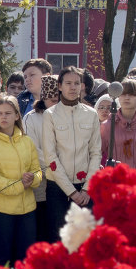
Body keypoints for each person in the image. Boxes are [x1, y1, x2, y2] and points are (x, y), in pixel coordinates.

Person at [0, 96, 42, 266]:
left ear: (17, 115)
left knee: (25, 258)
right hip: (0, 210)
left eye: (8, 113)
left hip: (27, 209)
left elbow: (37, 170)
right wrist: (18, 186)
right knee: (2, 257)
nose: (3, 117)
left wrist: (33, 179)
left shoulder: (27, 141)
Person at [42, 67, 102, 235]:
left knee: (84, 240)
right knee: (60, 239)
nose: (73, 87)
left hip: (85, 189)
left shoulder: (91, 114)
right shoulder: (50, 115)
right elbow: (50, 156)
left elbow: (96, 152)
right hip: (58, 187)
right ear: (60, 86)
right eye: (68, 83)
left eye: (77, 83)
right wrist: (71, 192)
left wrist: (86, 188)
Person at [23, 75, 60, 243]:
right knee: (42, 229)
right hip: (42, 181)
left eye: (58, 99)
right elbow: (33, 150)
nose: (55, 103)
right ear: (43, 98)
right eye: (51, 100)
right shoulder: (31, 118)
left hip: (64, 184)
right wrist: (56, 169)